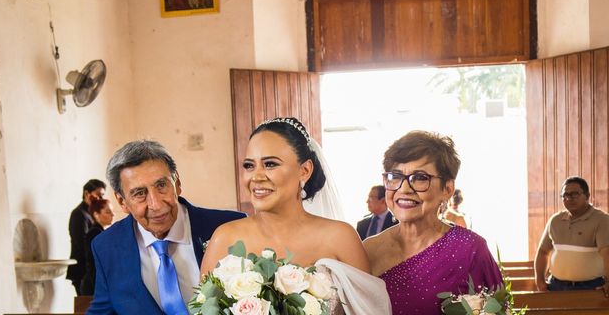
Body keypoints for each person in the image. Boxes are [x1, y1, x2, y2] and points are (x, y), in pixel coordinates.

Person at [201, 117, 392, 315]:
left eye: (270, 164)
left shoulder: (340, 237)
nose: (256, 177)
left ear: (305, 170)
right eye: (249, 165)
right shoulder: (225, 238)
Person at [86, 140, 245, 315]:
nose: (156, 204)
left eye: (161, 185)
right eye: (140, 193)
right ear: (122, 202)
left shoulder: (230, 227)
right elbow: (103, 310)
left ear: (177, 183)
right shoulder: (107, 246)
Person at [364, 130, 502, 315]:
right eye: (395, 176)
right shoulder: (369, 249)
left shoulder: (471, 250)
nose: (404, 189)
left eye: (420, 178)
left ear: (447, 189)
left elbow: (500, 309)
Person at [534, 176, 609, 295]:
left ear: (587, 196)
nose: (569, 198)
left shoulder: (602, 220)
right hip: (556, 286)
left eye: (574, 194)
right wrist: (539, 280)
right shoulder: (555, 220)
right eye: (565, 195)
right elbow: (543, 251)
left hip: (591, 287)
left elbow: (607, 253)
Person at [67, 178, 106, 295]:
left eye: (102, 196)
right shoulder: (78, 214)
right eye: (98, 195)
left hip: (90, 271)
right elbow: (82, 244)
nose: (101, 199)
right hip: (82, 272)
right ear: (86, 194)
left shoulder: (89, 213)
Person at [81, 198, 115, 295]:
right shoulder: (95, 233)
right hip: (93, 286)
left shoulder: (99, 232)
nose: (112, 215)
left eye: (112, 212)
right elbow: (93, 264)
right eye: (108, 212)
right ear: (96, 215)